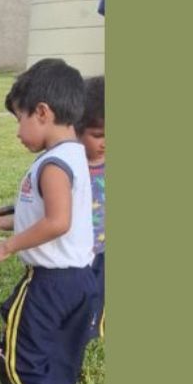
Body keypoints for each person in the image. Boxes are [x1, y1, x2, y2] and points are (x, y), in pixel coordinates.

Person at [0, 59, 97, 384]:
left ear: (42, 112)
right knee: (60, 354)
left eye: (20, 119)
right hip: (80, 279)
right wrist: (5, 221)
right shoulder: (74, 155)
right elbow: (50, 215)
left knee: (19, 357)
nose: (17, 132)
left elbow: (57, 222)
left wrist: (4, 247)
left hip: (48, 281)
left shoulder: (52, 165)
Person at [77, 76, 106, 339]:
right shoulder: (69, 166)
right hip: (76, 252)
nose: (104, 142)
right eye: (97, 135)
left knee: (98, 293)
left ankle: (91, 327)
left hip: (103, 250)